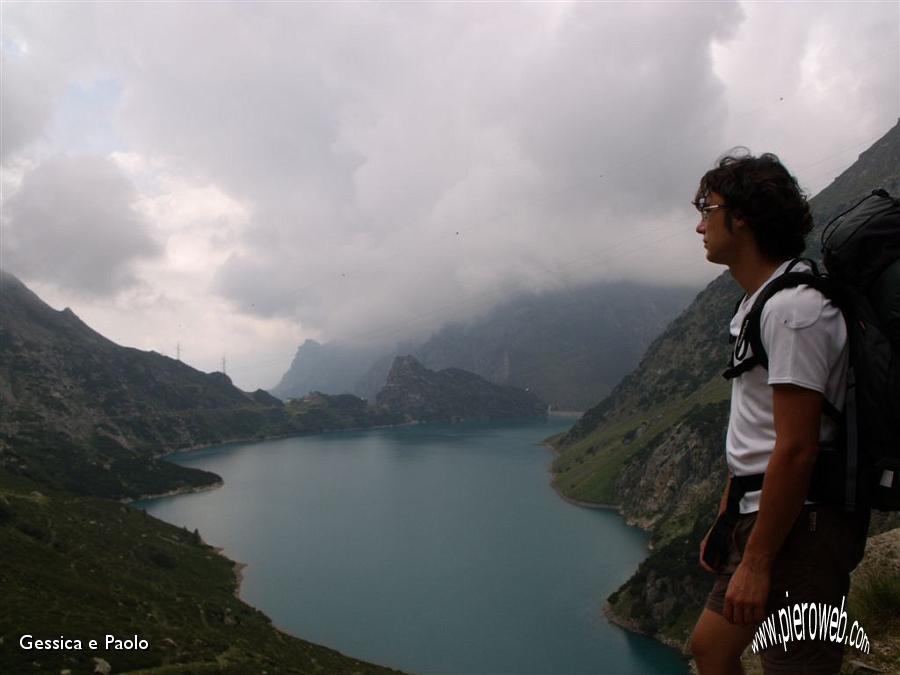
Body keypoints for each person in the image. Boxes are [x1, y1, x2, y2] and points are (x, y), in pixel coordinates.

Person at [688, 151, 868, 675]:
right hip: (764, 514)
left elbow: (796, 445)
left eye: (709, 207)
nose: (700, 224)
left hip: (805, 525)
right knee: (712, 649)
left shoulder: (795, 310)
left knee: (796, 666)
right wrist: (727, 520)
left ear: (741, 217)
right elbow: (756, 428)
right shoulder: (759, 303)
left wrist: (759, 559)